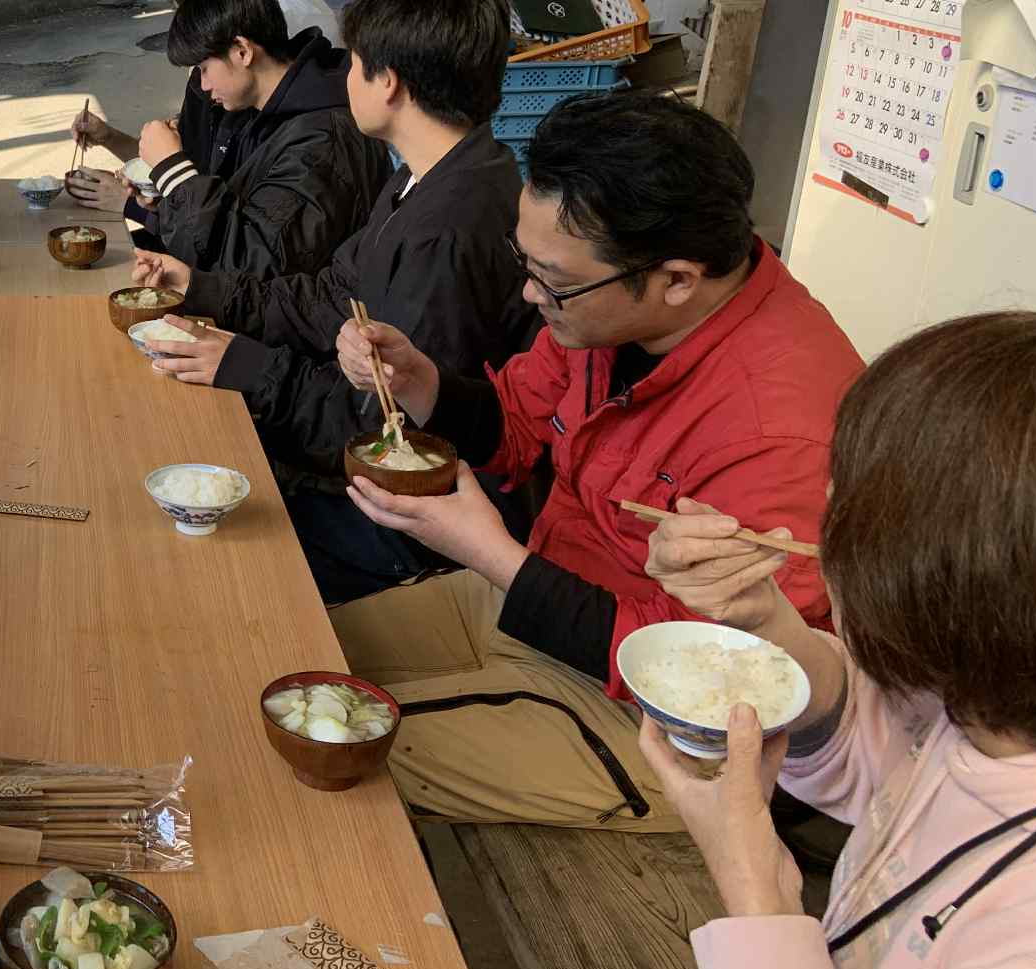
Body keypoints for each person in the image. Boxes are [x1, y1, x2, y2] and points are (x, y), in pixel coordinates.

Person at [331, 92, 864, 831]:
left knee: (332, 748)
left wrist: (493, 556)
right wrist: (421, 382)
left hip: (654, 719)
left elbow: (711, 674)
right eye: (525, 262)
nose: (530, 293)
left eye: (552, 281)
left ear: (677, 279)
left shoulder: (778, 430)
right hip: (545, 592)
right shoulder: (609, 312)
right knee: (304, 647)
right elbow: (520, 421)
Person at [638, 311, 1036, 969]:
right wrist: (765, 624)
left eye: (847, 509)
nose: (822, 526)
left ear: (950, 582)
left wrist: (755, 885)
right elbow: (886, 761)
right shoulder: (999, 708)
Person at [130, 0, 539, 593]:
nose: (343, 78)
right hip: (351, 459)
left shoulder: (449, 228)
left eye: (354, 64)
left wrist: (245, 366)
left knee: (185, 552)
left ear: (389, 83)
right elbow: (331, 294)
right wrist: (201, 288)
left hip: (397, 522)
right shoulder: (427, 178)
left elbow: (384, 433)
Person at [65, 0, 338, 227]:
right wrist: (112, 140)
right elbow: (186, 181)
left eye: (189, 12)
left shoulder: (297, 129)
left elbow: (231, 238)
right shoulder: (221, 88)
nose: (181, 25)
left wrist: (133, 205)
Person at [122, 0, 384, 281]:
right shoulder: (255, 109)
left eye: (204, 69)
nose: (203, 85)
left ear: (242, 51)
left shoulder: (323, 140)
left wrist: (174, 173)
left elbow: (250, 266)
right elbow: (232, 219)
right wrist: (169, 200)